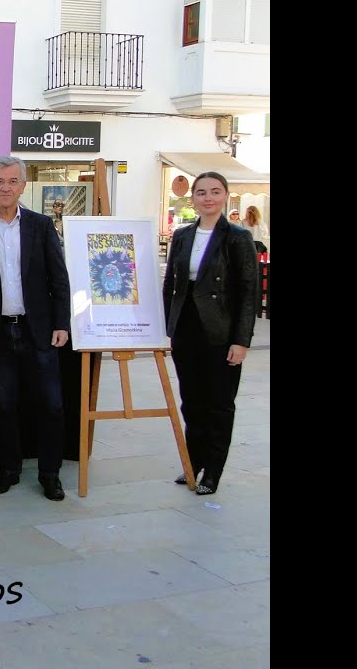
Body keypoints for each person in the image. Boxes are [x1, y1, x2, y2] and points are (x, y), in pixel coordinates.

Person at [0, 157, 71, 501]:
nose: (5, 187)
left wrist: (62, 322)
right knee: (2, 404)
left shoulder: (41, 225)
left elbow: (59, 277)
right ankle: (9, 469)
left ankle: (50, 474)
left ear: (23, 186)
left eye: (12, 181)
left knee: (51, 405)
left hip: (39, 330)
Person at [163, 171, 257, 496]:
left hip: (220, 330)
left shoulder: (237, 237)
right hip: (186, 328)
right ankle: (194, 462)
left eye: (215, 192)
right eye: (201, 192)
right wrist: (167, 327)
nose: (208, 198)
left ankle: (212, 472)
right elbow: (170, 286)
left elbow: (248, 293)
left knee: (218, 403)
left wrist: (241, 341)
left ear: (225, 195)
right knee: (191, 401)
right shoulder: (182, 235)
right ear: (193, 199)